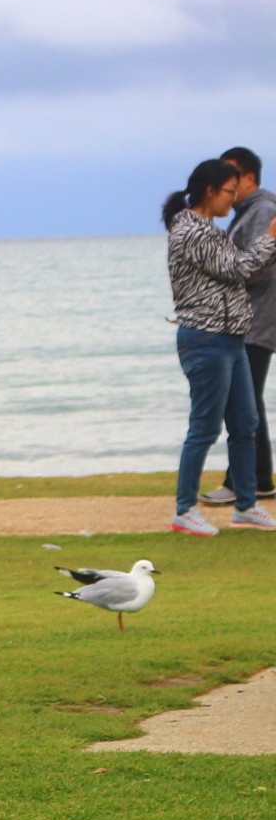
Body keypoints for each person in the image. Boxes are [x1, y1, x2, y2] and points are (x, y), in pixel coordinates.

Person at [163, 157, 276, 534]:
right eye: (228, 192)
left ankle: (246, 505)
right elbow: (237, 269)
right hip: (205, 340)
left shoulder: (209, 229)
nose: (233, 199)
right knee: (205, 428)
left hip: (231, 340)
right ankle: (184, 510)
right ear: (210, 191)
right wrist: (271, 239)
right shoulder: (190, 232)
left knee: (245, 424)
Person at [201, 147, 276, 506]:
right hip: (247, 320)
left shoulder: (263, 210)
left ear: (249, 177)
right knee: (248, 401)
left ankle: (241, 480)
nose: (225, 182)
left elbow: (264, 266)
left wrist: (223, 278)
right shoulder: (247, 212)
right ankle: (258, 478)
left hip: (256, 320)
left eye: (231, 175)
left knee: (241, 401)